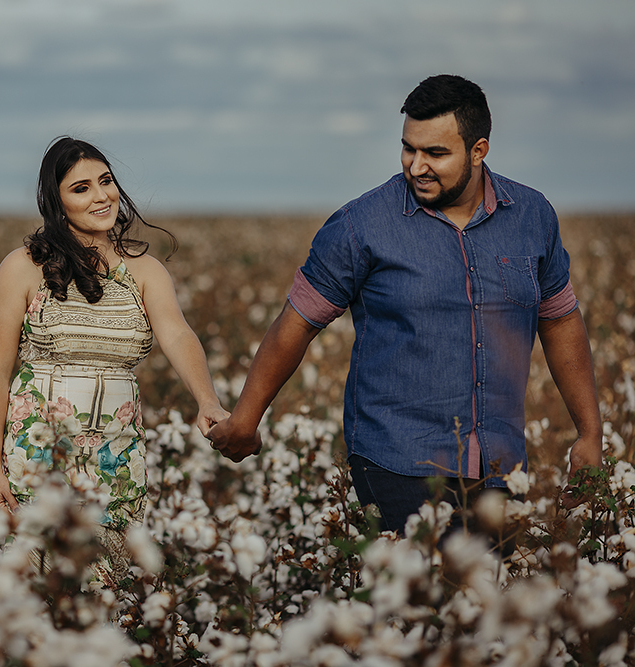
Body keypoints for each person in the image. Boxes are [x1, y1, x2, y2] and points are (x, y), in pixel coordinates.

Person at [207, 74, 602, 536]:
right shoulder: (362, 225)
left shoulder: (533, 217)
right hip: (396, 458)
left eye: (435, 153)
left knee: (486, 600)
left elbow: (559, 322)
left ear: (479, 151)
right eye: (408, 148)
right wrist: (246, 420)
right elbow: (296, 323)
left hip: (499, 463)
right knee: (430, 598)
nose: (416, 166)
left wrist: (590, 433)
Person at [0, 136, 229, 583]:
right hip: (35, 461)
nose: (101, 196)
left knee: (107, 597)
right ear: (55, 203)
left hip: (116, 461)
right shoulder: (21, 267)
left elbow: (177, 333)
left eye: (106, 181)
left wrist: (207, 400)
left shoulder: (145, 271)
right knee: (33, 597)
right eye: (80, 188)